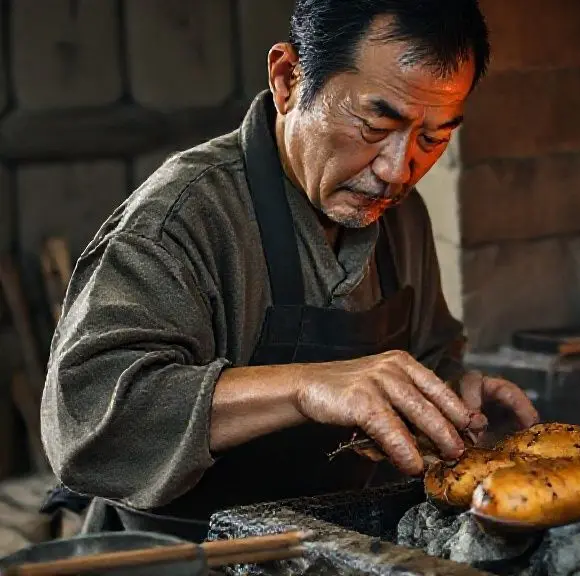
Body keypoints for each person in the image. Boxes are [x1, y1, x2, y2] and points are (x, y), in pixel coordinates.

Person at [38, 0, 538, 542]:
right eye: (376, 124)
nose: (399, 170)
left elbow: (428, 351)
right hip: (183, 556)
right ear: (287, 79)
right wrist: (307, 386)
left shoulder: (399, 215)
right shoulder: (183, 216)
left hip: (335, 550)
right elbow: (84, 422)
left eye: (432, 138)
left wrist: (448, 396)